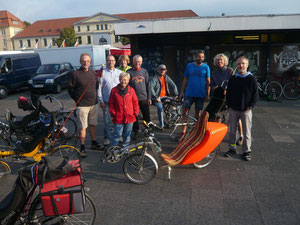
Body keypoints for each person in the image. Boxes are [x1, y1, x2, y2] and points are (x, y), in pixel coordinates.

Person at [68, 53, 103, 157]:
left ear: (90, 62)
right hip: (82, 105)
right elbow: (70, 88)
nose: (85, 63)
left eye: (88, 61)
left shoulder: (93, 73)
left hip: (94, 104)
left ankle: (94, 143)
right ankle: (82, 147)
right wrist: (76, 99)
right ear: (80, 61)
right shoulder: (75, 73)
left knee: (93, 125)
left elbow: (97, 87)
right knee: (83, 127)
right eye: (84, 61)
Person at [225, 56, 258, 161]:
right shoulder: (233, 78)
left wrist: (251, 105)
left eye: (243, 63)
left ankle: (246, 151)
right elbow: (228, 92)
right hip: (233, 109)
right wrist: (228, 104)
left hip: (246, 110)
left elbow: (255, 94)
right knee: (232, 131)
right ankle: (232, 148)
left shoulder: (251, 78)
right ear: (236, 65)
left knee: (247, 131)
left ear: (247, 65)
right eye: (239, 63)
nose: (241, 65)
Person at [212, 54, 244, 145]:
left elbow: (234, 82)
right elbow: (212, 84)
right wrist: (214, 87)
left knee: (236, 117)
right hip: (219, 97)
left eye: (221, 60)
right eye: (218, 60)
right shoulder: (214, 73)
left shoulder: (230, 71)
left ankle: (241, 136)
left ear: (225, 61)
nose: (219, 61)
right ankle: (217, 136)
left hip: (230, 96)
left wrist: (228, 89)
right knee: (217, 116)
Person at [179, 50, 211, 140]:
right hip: (189, 94)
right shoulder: (189, 66)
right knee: (185, 112)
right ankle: (183, 132)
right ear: (195, 57)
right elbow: (185, 79)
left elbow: (208, 82)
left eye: (202, 57)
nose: (200, 58)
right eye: (198, 56)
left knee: (198, 114)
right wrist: (182, 91)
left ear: (203, 58)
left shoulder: (206, 67)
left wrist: (207, 94)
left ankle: (196, 132)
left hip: (200, 94)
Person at [109, 72, 139, 147]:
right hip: (118, 117)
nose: (123, 82)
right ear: (119, 80)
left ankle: (125, 150)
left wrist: (136, 112)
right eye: (122, 80)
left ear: (128, 81)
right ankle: (112, 151)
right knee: (117, 135)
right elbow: (111, 103)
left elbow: (135, 102)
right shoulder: (114, 90)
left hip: (130, 117)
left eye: (125, 80)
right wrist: (113, 113)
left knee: (127, 135)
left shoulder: (131, 90)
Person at [98, 55, 122, 146]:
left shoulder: (119, 73)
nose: (110, 62)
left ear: (115, 62)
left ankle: (118, 135)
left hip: (118, 102)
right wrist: (100, 100)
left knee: (118, 120)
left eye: (112, 60)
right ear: (106, 62)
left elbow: (122, 86)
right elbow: (99, 88)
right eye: (109, 60)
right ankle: (107, 138)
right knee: (107, 121)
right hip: (106, 101)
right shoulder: (102, 73)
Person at [127, 55, 151, 139]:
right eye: (135, 61)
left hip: (144, 98)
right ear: (133, 62)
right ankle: (136, 131)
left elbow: (148, 85)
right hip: (133, 99)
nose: (137, 63)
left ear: (141, 62)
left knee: (146, 116)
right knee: (134, 117)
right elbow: (127, 86)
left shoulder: (144, 71)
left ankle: (147, 130)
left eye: (139, 61)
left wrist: (149, 98)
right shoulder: (129, 72)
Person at [151, 64, 178, 130]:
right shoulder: (155, 78)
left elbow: (173, 85)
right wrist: (155, 97)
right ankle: (161, 125)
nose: (162, 71)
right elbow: (150, 87)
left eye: (164, 70)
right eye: (161, 70)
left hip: (166, 96)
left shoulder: (166, 77)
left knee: (177, 105)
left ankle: (173, 122)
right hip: (158, 97)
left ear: (165, 71)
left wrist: (176, 95)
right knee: (160, 108)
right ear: (158, 70)